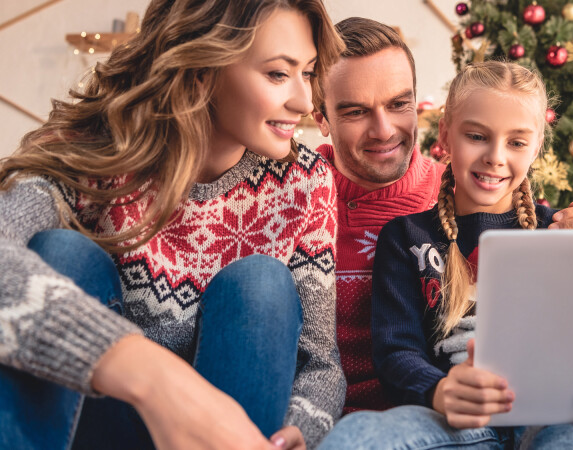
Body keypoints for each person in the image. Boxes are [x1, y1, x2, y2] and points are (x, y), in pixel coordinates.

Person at [0, 0, 345, 448]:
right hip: (94, 420)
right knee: (62, 253)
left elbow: (322, 365)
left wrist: (302, 425)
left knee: (262, 282)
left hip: (224, 431)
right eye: (278, 73)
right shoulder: (89, 150)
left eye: (309, 72)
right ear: (203, 70)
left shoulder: (305, 182)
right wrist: (151, 375)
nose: (303, 100)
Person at [319, 61, 573, 449]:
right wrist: (441, 391)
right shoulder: (406, 237)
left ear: (537, 147)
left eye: (516, 142)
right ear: (445, 133)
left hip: (558, 418)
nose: (495, 157)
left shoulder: (567, 232)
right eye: (477, 136)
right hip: (455, 422)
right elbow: (396, 352)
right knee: (356, 439)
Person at [311, 17, 445, 414]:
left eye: (399, 104)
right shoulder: (288, 198)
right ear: (321, 118)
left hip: (440, 424)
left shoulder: (463, 196)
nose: (383, 130)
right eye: (356, 112)